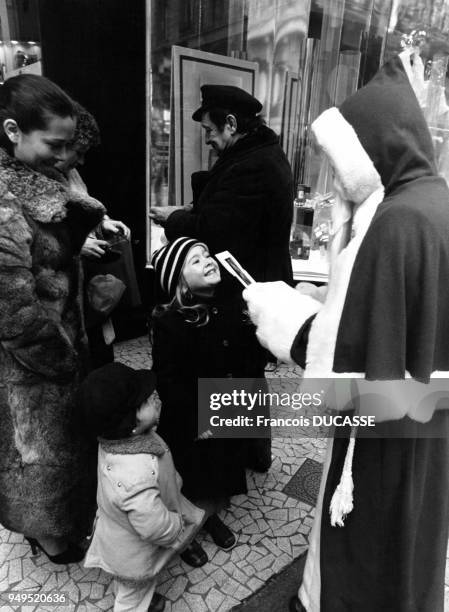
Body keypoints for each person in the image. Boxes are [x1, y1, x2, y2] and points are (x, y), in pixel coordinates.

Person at [243, 56, 449, 612]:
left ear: (371, 152)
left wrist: (288, 326)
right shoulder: (436, 202)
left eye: (339, 161)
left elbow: (350, 374)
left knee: (367, 544)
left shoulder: (398, 221)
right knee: (412, 541)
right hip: (428, 418)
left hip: (386, 430)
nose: (333, 177)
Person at [0, 75, 105, 562]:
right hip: (32, 361)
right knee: (37, 453)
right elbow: (14, 313)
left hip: (61, 340)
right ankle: (48, 533)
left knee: (58, 446)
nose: (66, 158)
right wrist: (59, 357)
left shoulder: (42, 179)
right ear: (13, 130)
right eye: (56, 145)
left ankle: (58, 520)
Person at [151, 237, 267, 566]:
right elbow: (169, 379)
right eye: (194, 260)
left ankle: (210, 515)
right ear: (178, 281)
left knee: (221, 469)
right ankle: (186, 530)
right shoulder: (169, 322)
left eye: (206, 254)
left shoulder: (233, 303)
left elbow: (250, 353)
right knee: (192, 474)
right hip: (192, 417)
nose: (206, 260)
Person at [79, 362, 204, 612]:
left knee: (128, 585)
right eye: (147, 400)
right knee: (133, 592)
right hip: (133, 551)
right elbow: (154, 525)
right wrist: (176, 525)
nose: (155, 398)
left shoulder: (117, 439)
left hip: (117, 533)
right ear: (131, 422)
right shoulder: (135, 475)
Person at [149, 84, 293, 289]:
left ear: (231, 124)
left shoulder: (253, 165)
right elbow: (229, 209)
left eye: (209, 130)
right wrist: (188, 210)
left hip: (253, 289)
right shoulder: (255, 154)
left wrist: (171, 218)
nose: (207, 139)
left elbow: (215, 232)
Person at [52, 102, 131, 367]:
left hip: (84, 291)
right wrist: (76, 243)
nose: (82, 160)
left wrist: (103, 222)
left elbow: (84, 206)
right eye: (80, 152)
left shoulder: (70, 173)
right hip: (59, 300)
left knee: (98, 356)